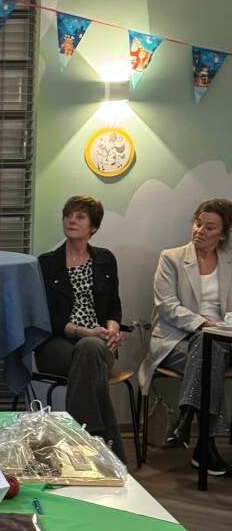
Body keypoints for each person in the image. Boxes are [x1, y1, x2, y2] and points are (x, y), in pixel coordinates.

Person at [138, 198, 232, 474]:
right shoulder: (172, 258)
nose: (200, 231)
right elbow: (167, 306)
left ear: (223, 234)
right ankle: (205, 443)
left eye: (210, 227)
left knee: (210, 348)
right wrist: (203, 323)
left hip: (225, 337)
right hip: (177, 339)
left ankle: (186, 420)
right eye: (198, 223)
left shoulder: (229, 261)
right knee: (207, 347)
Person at [36, 196, 126, 460]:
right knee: (89, 350)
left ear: (93, 227)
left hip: (100, 344)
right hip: (57, 343)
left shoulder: (106, 260)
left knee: (91, 352)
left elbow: (114, 305)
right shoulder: (47, 263)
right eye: (68, 215)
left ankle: (83, 441)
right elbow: (46, 318)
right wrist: (86, 332)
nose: (71, 220)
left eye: (80, 216)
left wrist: (113, 329)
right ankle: (100, 445)